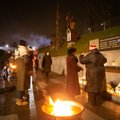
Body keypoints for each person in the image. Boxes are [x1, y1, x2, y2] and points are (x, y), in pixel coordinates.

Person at [15, 40, 30, 106]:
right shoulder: (23, 49)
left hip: (18, 66)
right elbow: (25, 60)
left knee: (21, 83)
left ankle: (23, 97)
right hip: (22, 67)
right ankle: (19, 101)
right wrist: (29, 59)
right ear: (24, 44)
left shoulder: (17, 49)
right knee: (21, 83)